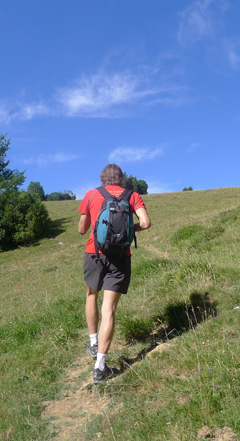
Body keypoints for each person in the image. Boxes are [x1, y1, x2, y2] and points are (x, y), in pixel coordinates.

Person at [78, 164, 151, 383]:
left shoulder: (92, 194)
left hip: (94, 253)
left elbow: (81, 230)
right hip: (120, 256)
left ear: (103, 179)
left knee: (91, 295)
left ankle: (93, 342)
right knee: (109, 309)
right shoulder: (133, 195)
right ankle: (100, 367)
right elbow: (146, 223)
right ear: (121, 179)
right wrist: (127, 230)